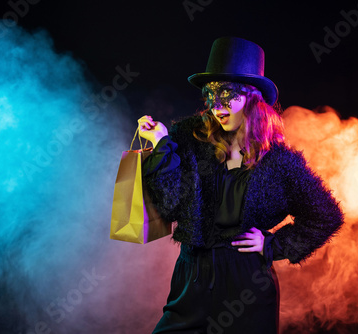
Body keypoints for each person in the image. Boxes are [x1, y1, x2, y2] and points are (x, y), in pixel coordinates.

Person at [138, 37, 344, 334]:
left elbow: (326, 216)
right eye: (211, 95)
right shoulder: (190, 141)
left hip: (246, 284)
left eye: (228, 96)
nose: (217, 107)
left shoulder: (280, 162)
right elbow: (171, 207)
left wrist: (274, 245)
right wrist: (161, 147)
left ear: (252, 98)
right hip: (192, 276)